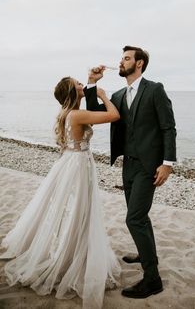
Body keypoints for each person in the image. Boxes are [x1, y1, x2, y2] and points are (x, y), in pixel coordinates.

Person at [0, 77, 121, 309]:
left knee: (72, 210)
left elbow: (91, 114)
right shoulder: (76, 115)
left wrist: (91, 82)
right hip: (78, 166)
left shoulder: (69, 113)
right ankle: (70, 255)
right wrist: (104, 95)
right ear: (72, 92)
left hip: (71, 162)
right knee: (77, 210)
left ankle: (72, 249)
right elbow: (113, 115)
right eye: (78, 83)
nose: (81, 86)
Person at [84, 45, 177, 299]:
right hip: (129, 165)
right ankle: (146, 252)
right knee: (138, 216)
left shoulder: (155, 89)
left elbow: (168, 128)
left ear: (139, 64)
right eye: (121, 58)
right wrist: (92, 84)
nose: (120, 62)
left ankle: (152, 278)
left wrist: (167, 163)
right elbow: (94, 114)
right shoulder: (117, 94)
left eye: (126, 58)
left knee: (134, 218)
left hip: (150, 166)